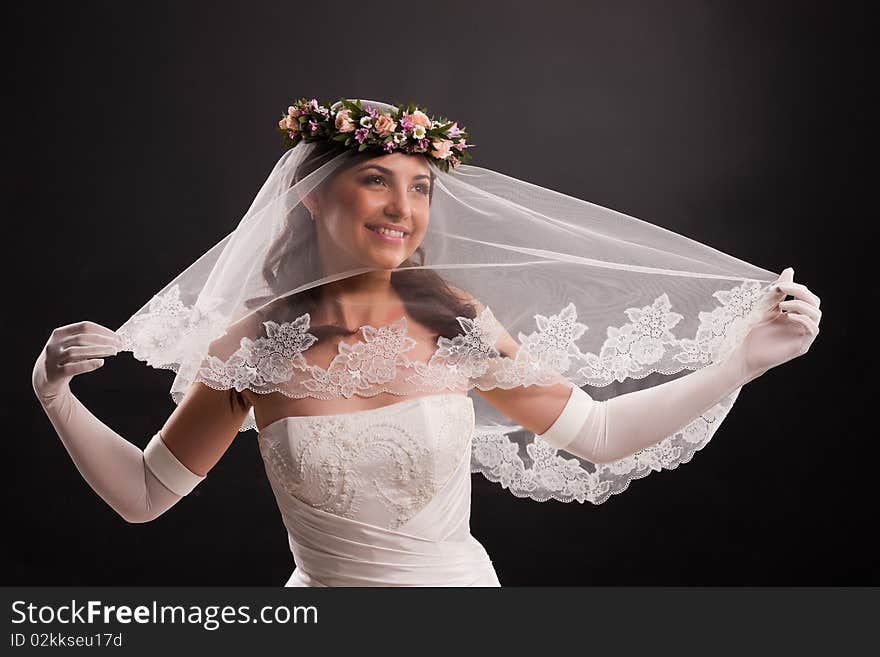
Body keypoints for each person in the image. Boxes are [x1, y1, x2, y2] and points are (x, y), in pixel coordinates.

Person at [31, 98, 822, 586]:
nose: (402, 207)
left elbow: (604, 435)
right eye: (377, 178)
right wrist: (53, 394)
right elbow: (142, 495)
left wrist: (739, 363)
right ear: (311, 197)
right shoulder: (255, 346)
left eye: (421, 186)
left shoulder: (456, 322)